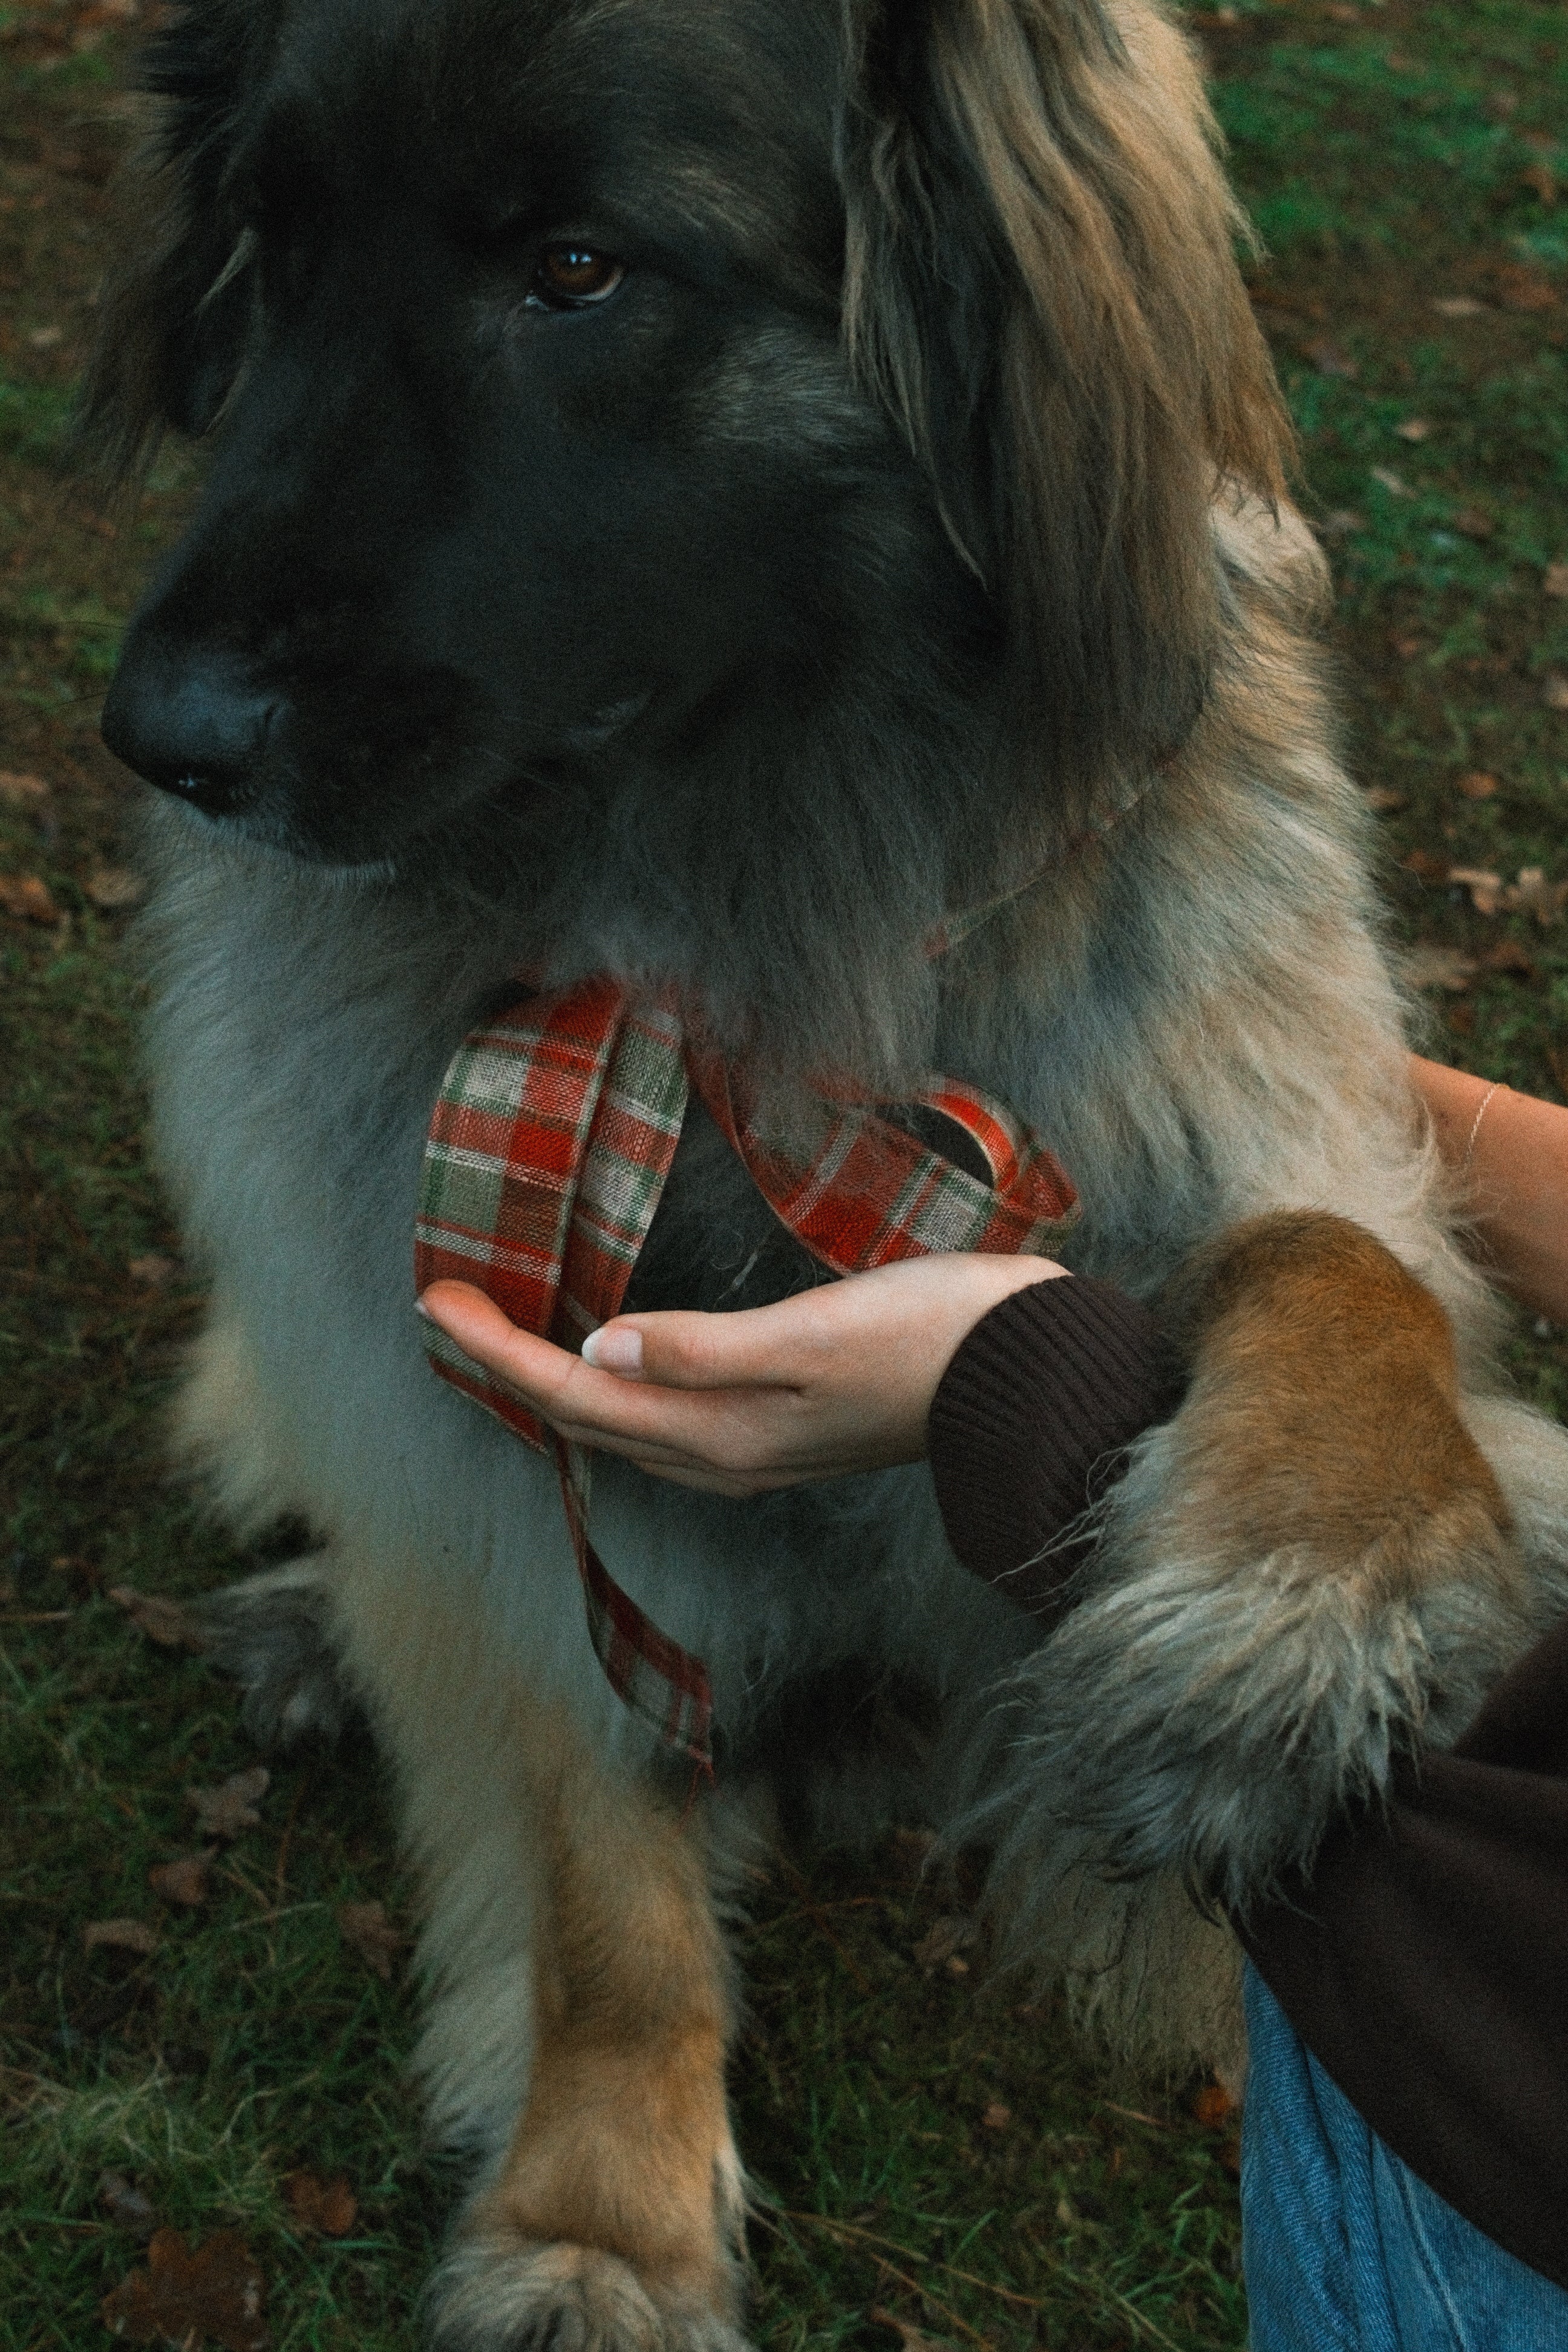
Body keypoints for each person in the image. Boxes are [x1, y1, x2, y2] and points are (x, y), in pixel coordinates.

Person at [420, 1055, 1568, 2350]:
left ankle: (621, 2067)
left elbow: (1451, 1857)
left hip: (1492, 2176)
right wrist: (1277, 1061)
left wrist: (1010, 1369)